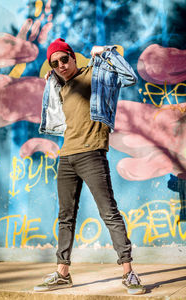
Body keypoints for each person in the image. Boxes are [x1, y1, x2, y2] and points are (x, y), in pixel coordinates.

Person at [34, 38, 146, 295]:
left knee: (109, 213)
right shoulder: (59, 85)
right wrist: (53, 79)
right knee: (65, 218)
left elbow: (129, 77)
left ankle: (128, 272)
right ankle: (62, 273)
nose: (61, 65)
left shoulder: (98, 72)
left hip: (92, 154)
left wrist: (104, 52)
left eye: (64, 59)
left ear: (73, 57)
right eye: (55, 63)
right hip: (67, 157)